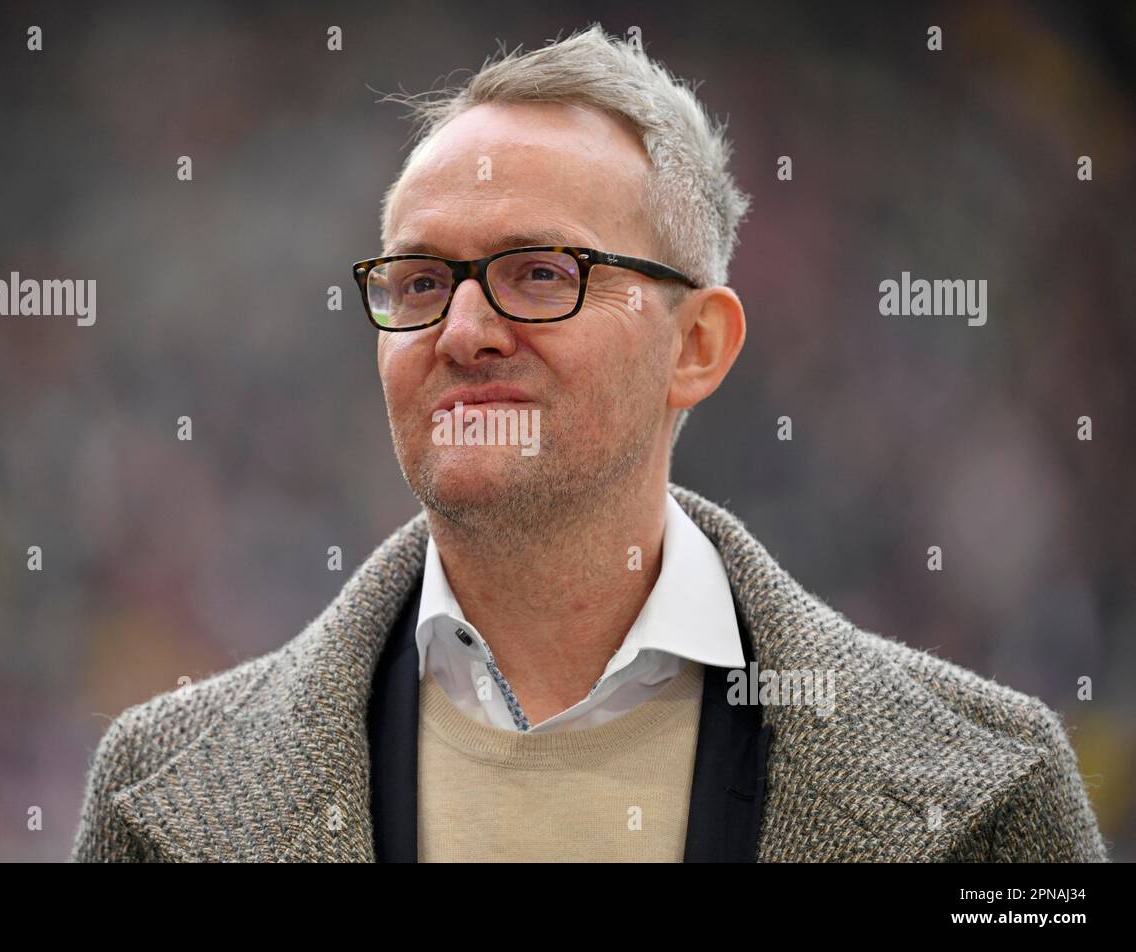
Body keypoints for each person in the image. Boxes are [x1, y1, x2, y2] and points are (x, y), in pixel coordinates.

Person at [71, 24, 1107, 862]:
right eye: (420, 282)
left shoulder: (988, 791)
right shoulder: (161, 788)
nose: (463, 330)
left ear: (696, 345)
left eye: (536, 272)